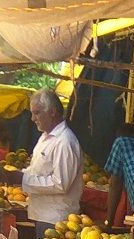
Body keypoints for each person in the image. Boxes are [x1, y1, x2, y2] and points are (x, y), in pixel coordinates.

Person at [11, 88, 83, 226]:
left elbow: (60, 183)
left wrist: (23, 179)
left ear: (52, 112)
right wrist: (19, 175)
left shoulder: (65, 141)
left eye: (37, 113)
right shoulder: (45, 137)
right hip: (41, 214)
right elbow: (37, 171)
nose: (33, 119)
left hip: (55, 219)